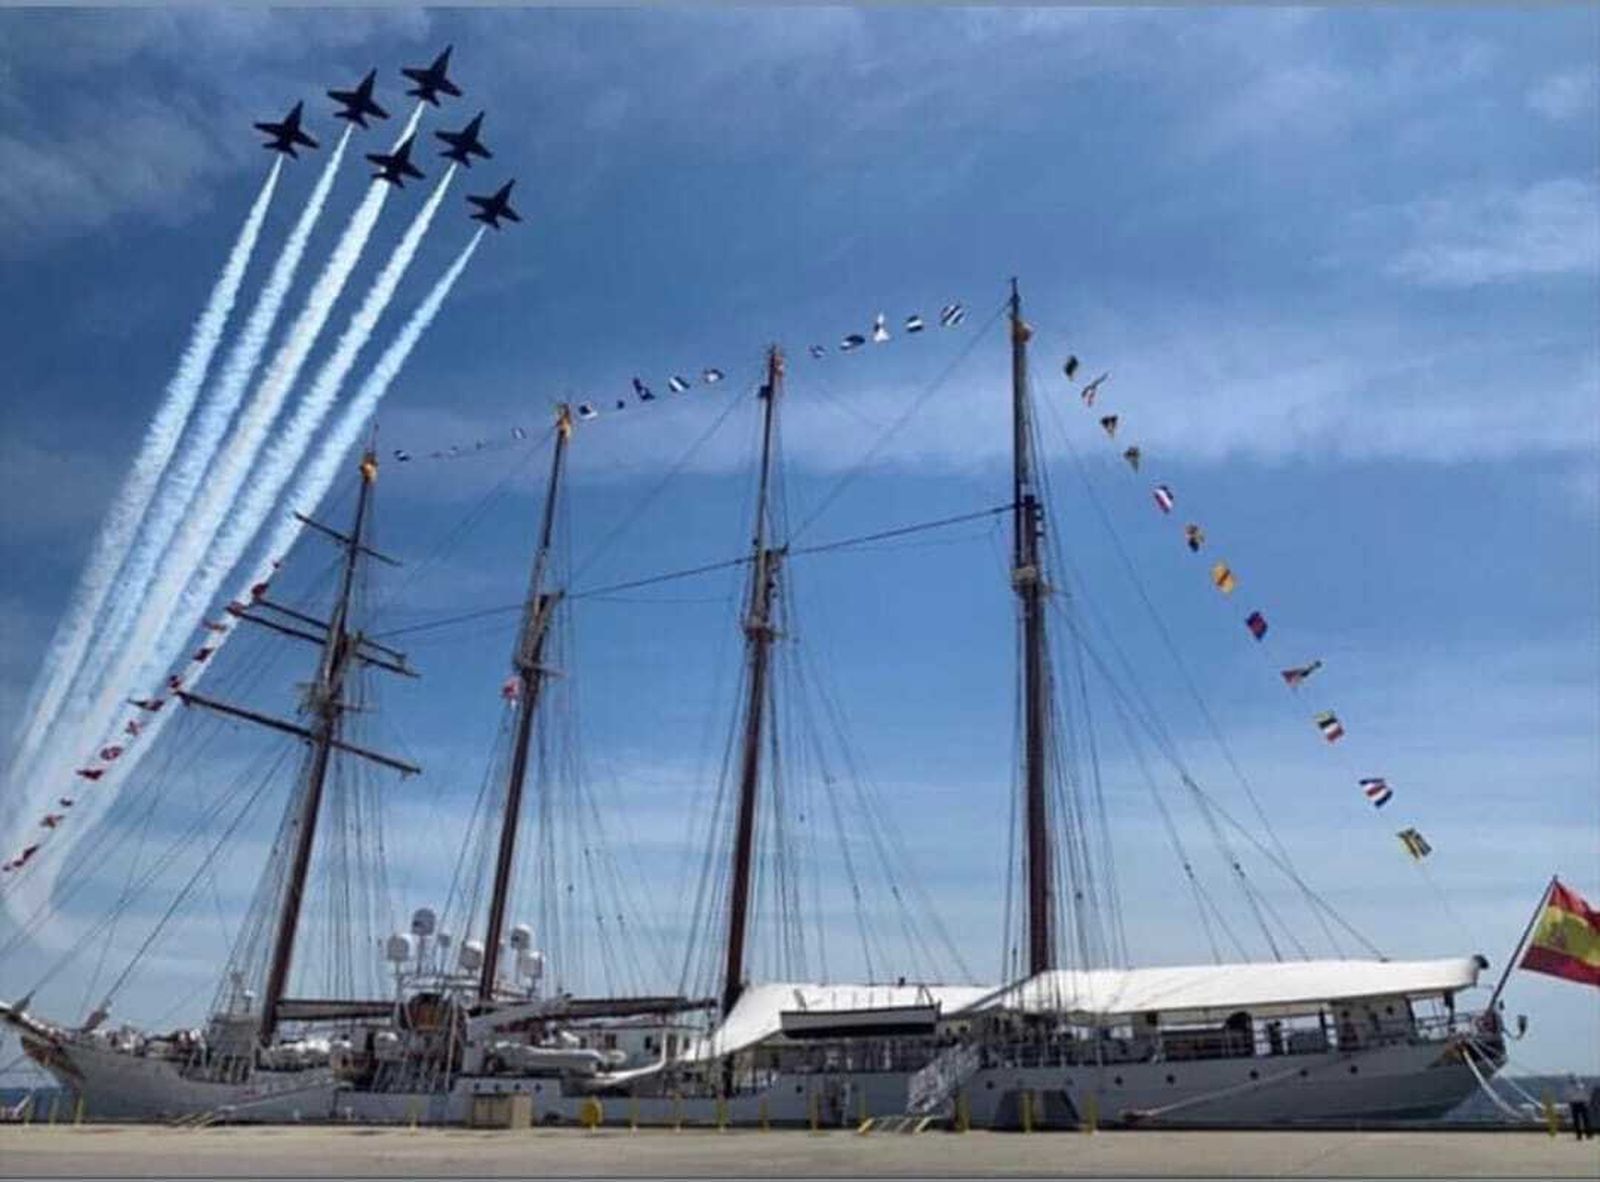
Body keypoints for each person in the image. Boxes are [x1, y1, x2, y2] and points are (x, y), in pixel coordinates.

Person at [1567, 1074, 1592, 1141]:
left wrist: (1587, 1102)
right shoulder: (1570, 1087)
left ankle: (1587, 1134)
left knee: (1585, 1120)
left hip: (1581, 1103)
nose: (1572, 1081)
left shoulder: (1581, 1086)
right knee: (1578, 1121)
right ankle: (1580, 1135)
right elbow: (1569, 1096)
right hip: (1575, 1104)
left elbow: (1586, 1094)